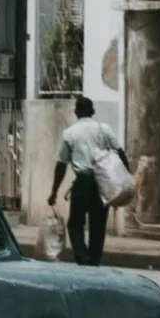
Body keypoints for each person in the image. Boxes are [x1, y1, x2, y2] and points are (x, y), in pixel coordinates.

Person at [47, 96, 128, 268]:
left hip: (82, 183)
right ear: (92, 112)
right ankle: (94, 260)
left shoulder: (70, 133)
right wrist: (126, 177)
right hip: (103, 183)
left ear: (76, 112)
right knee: (98, 224)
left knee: (75, 223)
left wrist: (54, 191)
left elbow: (61, 165)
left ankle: (82, 257)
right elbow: (120, 152)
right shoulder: (103, 129)